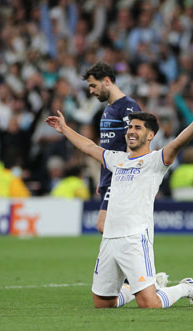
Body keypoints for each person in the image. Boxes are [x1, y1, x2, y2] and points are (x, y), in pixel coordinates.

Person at [45, 103, 193, 308]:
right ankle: (147, 286)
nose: (131, 131)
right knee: (103, 303)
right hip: (109, 238)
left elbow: (177, 143)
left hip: (134, 238)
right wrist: (64, 129)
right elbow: (89, 147)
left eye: (138, 128)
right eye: (130, 127)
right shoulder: (118, 160)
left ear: (150, 135)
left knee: (150, 304)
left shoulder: (155, 161)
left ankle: (186, 287)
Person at [82, 62, 142, 235]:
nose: (91, 91)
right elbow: (109, 148)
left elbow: (136, 144)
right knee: (113, 229)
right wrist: (104, 180)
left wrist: (125, 178)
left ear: (107, 81)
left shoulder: (128, 107)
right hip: (109, 179)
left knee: (104, 225)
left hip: (121, 178)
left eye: (93, 85)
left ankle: (134, 259)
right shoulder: (108, 110)